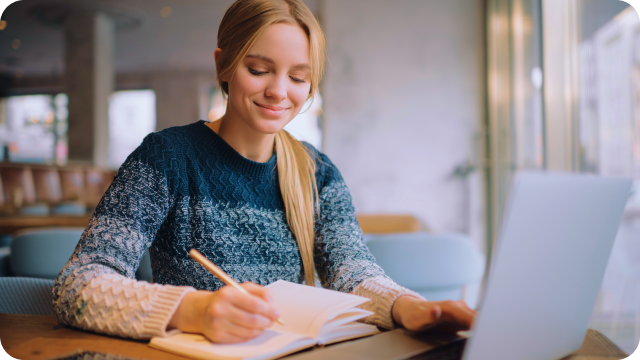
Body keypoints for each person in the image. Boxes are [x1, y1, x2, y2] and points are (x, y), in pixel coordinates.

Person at [53, 0, 476, 344]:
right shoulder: (167, 157)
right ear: (223, 65)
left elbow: (352, 269)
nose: (278, 91)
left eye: (298, 77)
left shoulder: (318, 172)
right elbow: (78, 287)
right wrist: (191, 310)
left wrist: (408, 306)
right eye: (259, 70)